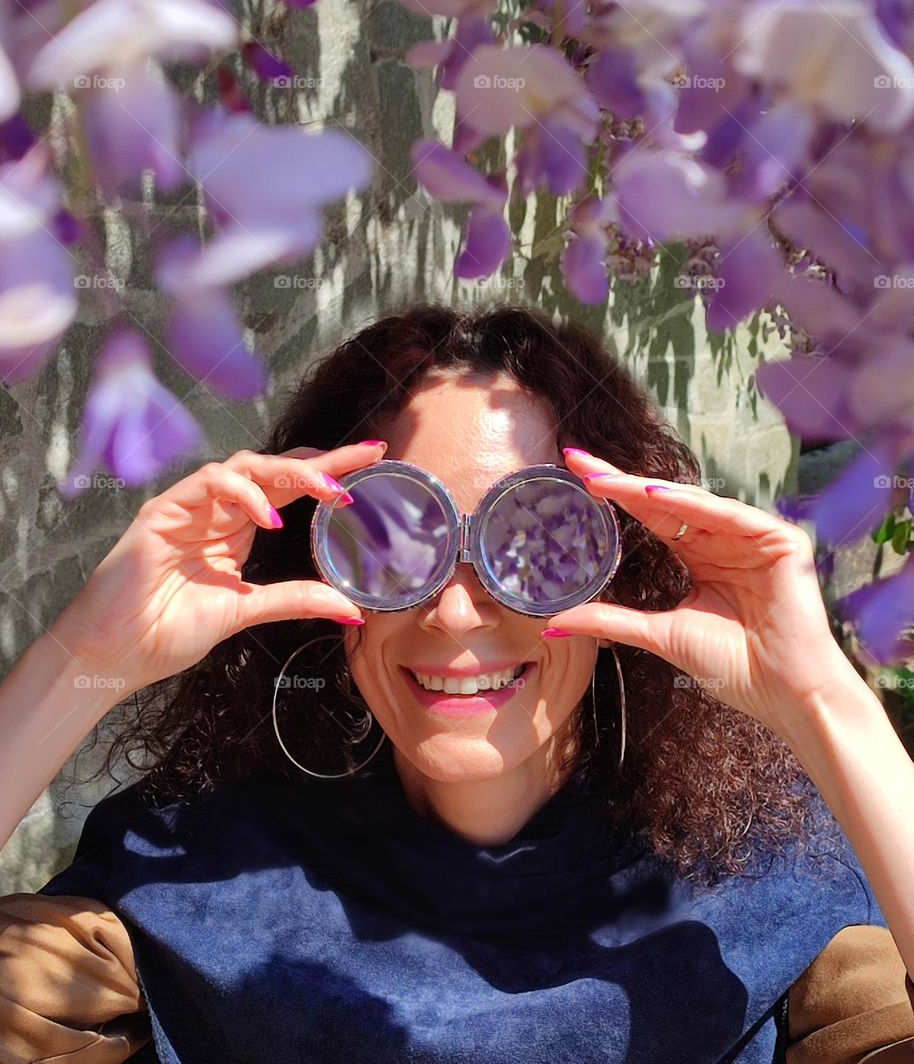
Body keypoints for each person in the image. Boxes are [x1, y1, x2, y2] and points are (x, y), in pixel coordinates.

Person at [1, 302, 913, 1064]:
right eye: (393, 539)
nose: (458, 614)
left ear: (620, 565)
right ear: (315, 566)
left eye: (540, 539)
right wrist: (85, 657)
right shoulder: (187, 880)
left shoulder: (785, 894)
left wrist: (821, 699)